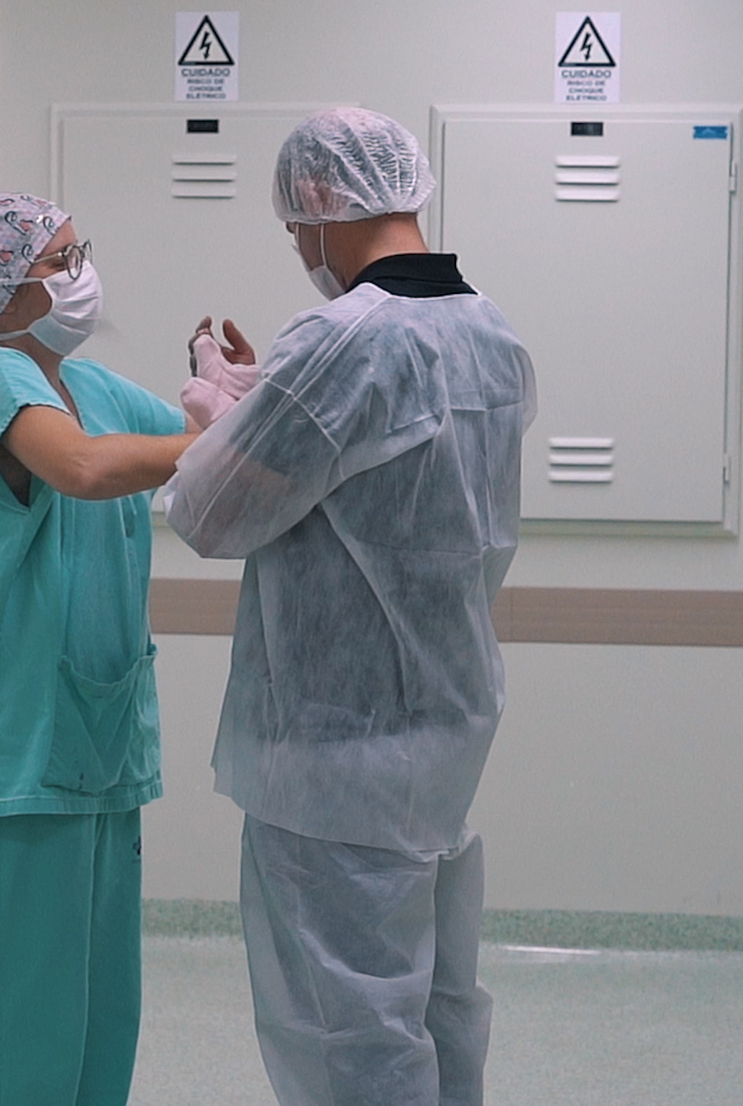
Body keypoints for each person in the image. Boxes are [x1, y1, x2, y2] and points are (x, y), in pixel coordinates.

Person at [166, 108, 536, 1106]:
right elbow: (382, 474)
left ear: (323, 197)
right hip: (443, 731)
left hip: (333, 754)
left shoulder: (343, 336)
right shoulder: (489, 331)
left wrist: (214, 415)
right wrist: (264, 404)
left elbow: (209, 513)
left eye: (296, 227)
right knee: (437, 1008)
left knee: (347, 1034)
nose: (301, 249)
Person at [0, 193, 196, 1106]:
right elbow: (84, 467)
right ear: (2, 292)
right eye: (62, 261)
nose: (83, 276)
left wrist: (225, 397)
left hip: (96, 742)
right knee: (19, 1034)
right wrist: (210, 437)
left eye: (83, 252)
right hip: (17, 751)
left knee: (98, 1022)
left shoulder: (94, 388)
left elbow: (193, 444)